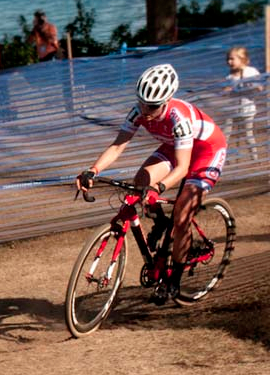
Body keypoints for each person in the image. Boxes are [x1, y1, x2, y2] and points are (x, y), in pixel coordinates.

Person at [75, 63, 228, 305]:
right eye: (142, 102)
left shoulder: (179, 119)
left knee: (181, 216)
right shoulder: (138, 111)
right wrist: (93, 170)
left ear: (166, 101)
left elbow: (182, 168)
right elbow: (117, 145)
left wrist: (159, 188)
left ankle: (174, 282)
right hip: (174, 145)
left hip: (205, 152)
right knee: (140, 181)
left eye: (153, 106)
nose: (145, 110)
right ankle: (160, 220)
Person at [223, 46, 262, 162]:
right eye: (228, 59)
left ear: (242, 59)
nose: (229, 62)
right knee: (226, 134)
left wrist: (250, 84)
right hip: (233, 110)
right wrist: (226, 90)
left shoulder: (251, 72)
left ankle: (254, 158)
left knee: (247, 134)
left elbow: (260, 87)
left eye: (232, 59)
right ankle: (223, 157)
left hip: (247, 110)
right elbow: (227, 91)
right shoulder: (230, 76)